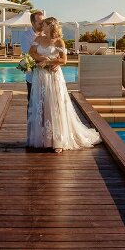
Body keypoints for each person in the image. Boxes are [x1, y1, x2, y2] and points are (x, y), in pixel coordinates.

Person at [27, 17, 101, 153]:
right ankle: (44, 139)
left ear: (50, 26)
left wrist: (49, 62)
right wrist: (41, 58)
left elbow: (64, 60)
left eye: (44, 24)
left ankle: (58, 140)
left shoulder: (59, 41)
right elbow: (31, 53)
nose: (41, 26)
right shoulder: (38, 39)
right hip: (40, 76)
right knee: (41, 105)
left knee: (55, 105)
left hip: (54, 77)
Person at [21, 10, 45, 110]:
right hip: (33, 76)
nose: (43, 25)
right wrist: (47, 61)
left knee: (45, 104)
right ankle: (31, 125)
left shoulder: (47, 34)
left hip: (47, 76)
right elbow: (29, 55)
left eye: (43, 22)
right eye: (40, 23)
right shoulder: (26, 35)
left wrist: (55, 62)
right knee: (32, 103)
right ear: (33, 23)